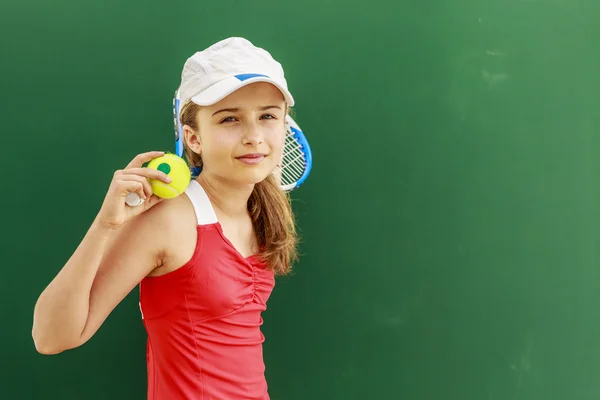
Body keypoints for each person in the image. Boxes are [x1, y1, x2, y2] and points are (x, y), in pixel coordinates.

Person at [32, 37, 300, 400]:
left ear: (285, 125)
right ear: (193, 138)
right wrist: (106, 226)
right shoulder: (170, 221)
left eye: (267, 116)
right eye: (230, 119)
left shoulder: (260, 214)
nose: (254, 136)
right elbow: (52, 337)